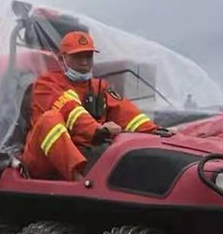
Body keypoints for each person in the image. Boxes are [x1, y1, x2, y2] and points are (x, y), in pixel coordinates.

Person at [22, 31, 170, 180]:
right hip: (43, 160)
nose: (84, 62)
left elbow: (125, 112)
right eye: (77, 57)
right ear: (62, 59)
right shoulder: (46, 83)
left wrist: (155, 131)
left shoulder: (99, 86)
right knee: (50, 119)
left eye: (88, 56)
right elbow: (70, 110)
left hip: (85, 153)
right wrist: (98, 130)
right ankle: (78, 181)